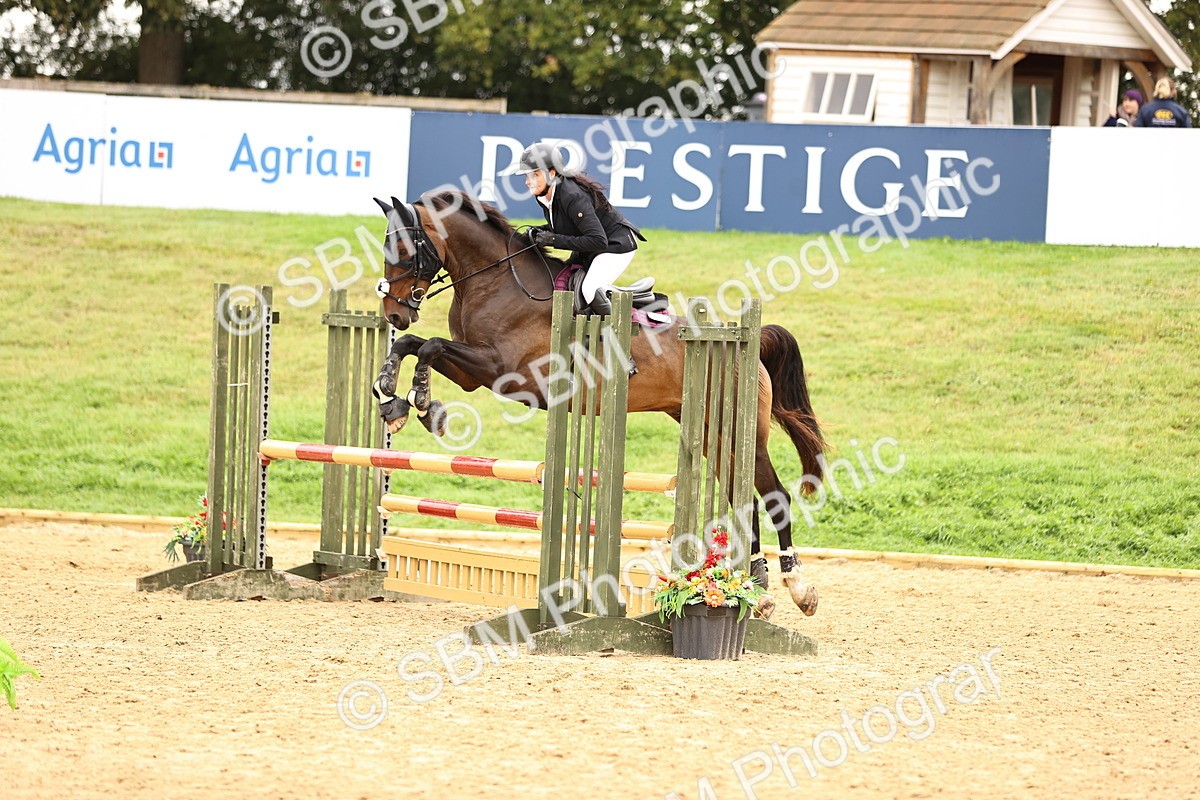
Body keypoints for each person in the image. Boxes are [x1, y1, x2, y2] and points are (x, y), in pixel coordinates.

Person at [516, 142, 646, 314]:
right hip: (594, 245)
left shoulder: (572, 196)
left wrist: (553, 240)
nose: (527, 181)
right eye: (527, 176)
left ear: (551, 174)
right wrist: (540, 231)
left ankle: (617, 334)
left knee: (589, 289)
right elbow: (566, 225)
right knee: (564, 278)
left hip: (616, 245)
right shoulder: (544, 194)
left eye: (534, 175)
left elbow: (598, 241)